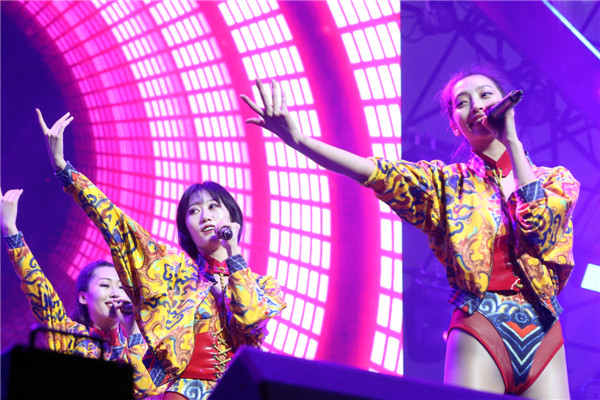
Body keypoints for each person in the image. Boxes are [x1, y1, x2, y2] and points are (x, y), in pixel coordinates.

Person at [240, 67, 578, 399]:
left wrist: (511, 142)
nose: (475, 105)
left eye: (485, 95)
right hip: (480, 326)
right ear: (455, 125)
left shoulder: (556, 182)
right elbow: (373, 172)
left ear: (506, 105)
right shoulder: (445, 184)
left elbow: (539, 227)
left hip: (544, 328)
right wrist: (299, 141)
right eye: (462, 103)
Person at [37, 109, 287, 400]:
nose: (205, 216)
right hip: (183, 392)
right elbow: (118, 226)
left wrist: (234, 255)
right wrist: (63, 169)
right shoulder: (175, 272)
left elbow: (249, 317)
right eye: (194, 211)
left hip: (241, 392)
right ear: (186, 228)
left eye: (213, 207)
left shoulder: (264, 286)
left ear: (232, 216)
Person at [0, 188, 163, 399]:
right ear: (83, 297)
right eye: (105, 285)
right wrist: (10, 228)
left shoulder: (141, 343)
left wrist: (133, 333)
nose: (115, 293)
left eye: (121, 287)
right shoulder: (68, 336)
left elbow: (143, 391)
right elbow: (39, 288)